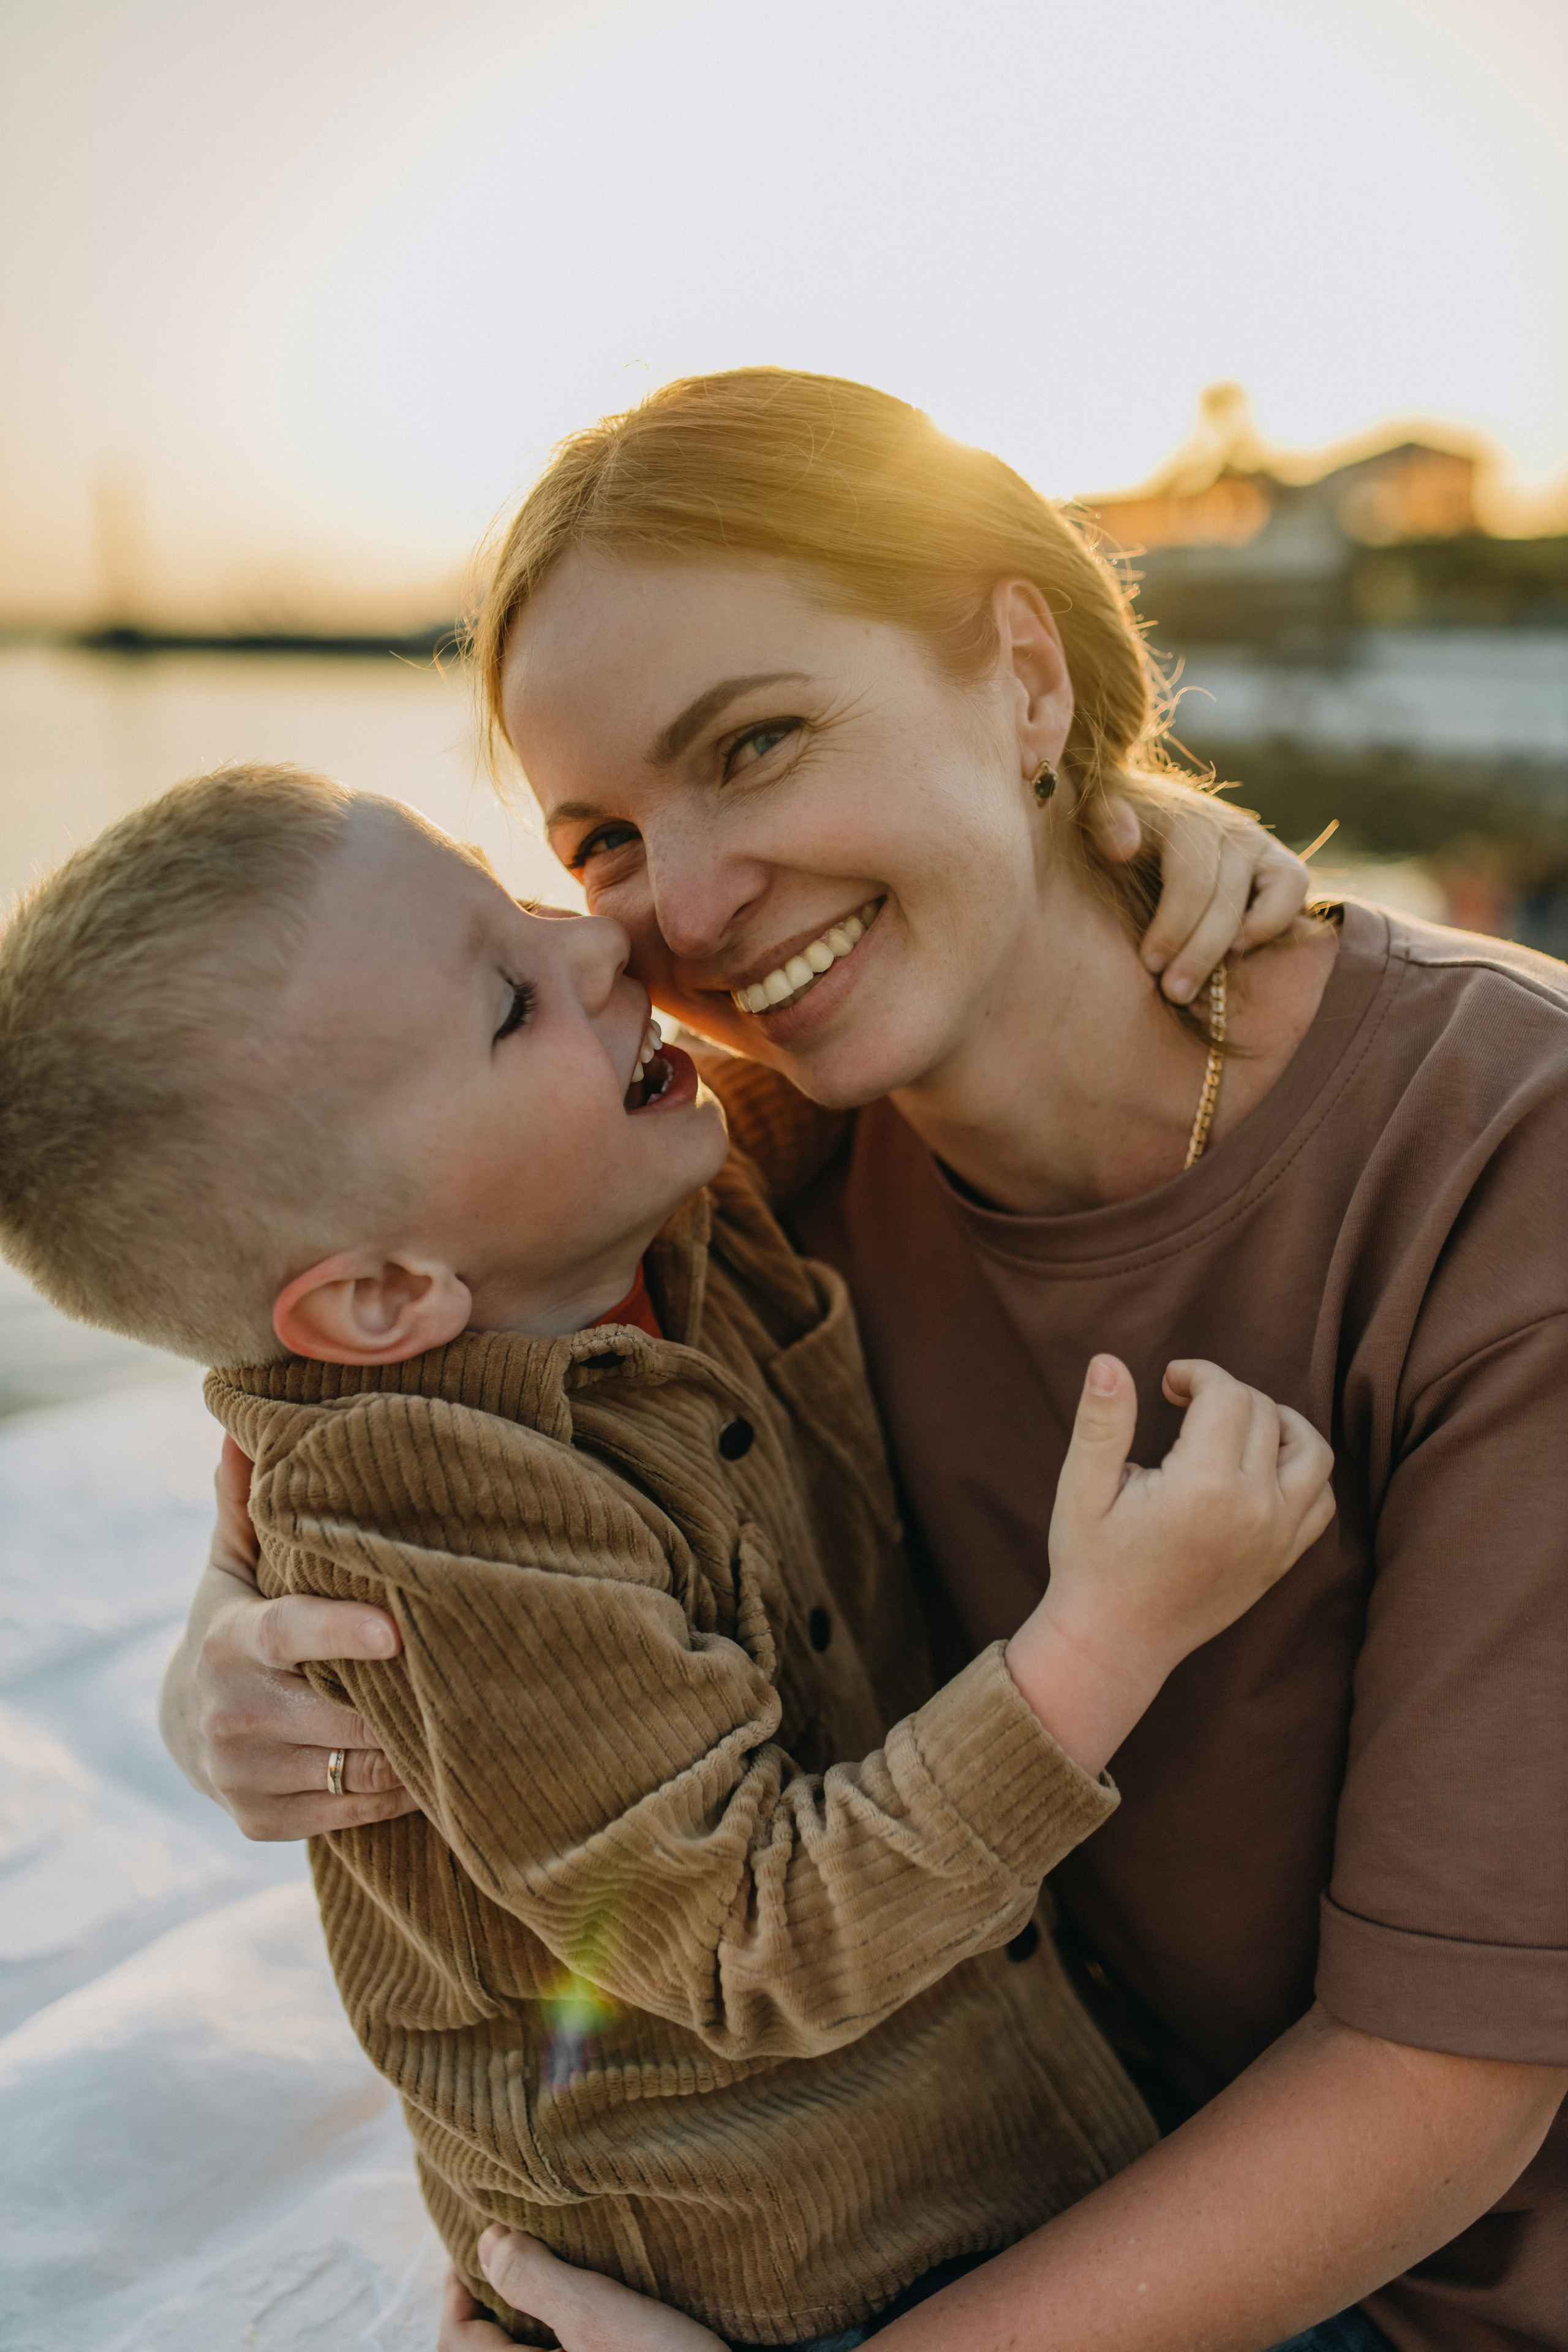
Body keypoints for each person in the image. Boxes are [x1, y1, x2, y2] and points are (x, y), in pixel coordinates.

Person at [162, 368, 1567, 2351]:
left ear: (1020, 667)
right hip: (999, 2197)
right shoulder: (745, 1169)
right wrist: (227, 1658)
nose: (695, 908)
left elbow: (1451, 2074)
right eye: (608, 838)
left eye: (758, 740)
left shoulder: (1510, 1177)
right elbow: (384, 1402)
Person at [0, 766, 1334, 2348]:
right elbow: (753, 1934)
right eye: (510, 1001)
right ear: (381, 1302)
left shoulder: (623, 1210)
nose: (600, 951)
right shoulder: (437, 1530)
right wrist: (1111, 1632)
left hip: (1022, 2133)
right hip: (804, 2282)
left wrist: (1119, 852)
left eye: (526, 898)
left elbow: (884, 1036)